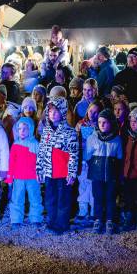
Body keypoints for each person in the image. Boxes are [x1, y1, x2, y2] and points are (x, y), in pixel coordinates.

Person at [36, 96, 79, 235]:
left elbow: (73, 154)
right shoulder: (46, 132)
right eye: (50, 111)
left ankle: (61, 224)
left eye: (56, 111)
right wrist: (39, 170)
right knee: (50, 198)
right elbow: (41, 152)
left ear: (63, 111)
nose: (53, 114)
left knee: (63, 199)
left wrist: (72, 173)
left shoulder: (70, 132)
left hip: (63, 174)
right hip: (49, 173)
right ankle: (52, 220)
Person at [86, 108, 124, 234]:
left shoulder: (117, 139)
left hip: (111, 174)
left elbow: (119, 156)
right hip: (97, 173)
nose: (102, 125)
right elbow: (87, 156)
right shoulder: (92, 138)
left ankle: (109, 220)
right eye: (100, 122)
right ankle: (98, 219)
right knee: (98, 197)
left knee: (110, 198)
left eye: (105, 122)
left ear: (111, 123)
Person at [6, 117, 43, 227]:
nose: (22, 131)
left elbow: (40, 161)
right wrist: (9, 176)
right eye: (19, 129)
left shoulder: (35, 144)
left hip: (33, 177)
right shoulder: (15, 145)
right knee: (17, 198)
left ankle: (36, 218)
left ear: (31, 129)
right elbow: (11, 162)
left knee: (35, 198)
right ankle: (16, 219)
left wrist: (40, 174)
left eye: (25, 129)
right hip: (18, 177)